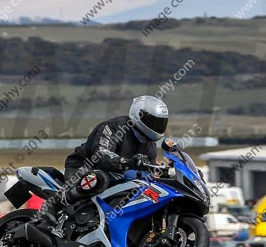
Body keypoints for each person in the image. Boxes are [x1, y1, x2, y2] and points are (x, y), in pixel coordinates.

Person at [37, 95, 170, 228]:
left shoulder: (149, 145)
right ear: (139, 115)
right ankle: (55, 203)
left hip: (118, 179)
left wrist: (159, 174)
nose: (157, 126)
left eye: (161, 123)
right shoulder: (115, 127)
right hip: (83, 168)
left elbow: (147, 171)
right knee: (100, 179)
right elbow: (100, 154)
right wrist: (126, 162)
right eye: (153, 121)